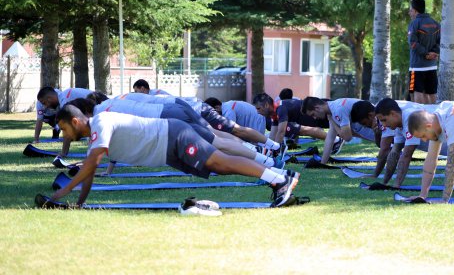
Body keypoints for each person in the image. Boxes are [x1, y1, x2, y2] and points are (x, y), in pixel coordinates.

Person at [45, 105, 298, 207]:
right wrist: (78, 204)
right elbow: (89, 171)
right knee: (221, 166)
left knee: (220, 161)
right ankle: (280, 176)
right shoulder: (94, 138)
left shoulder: (101, 122)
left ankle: (279, 180)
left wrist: (60, 194)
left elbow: (92, 164)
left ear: (76, 121)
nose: (65, 135)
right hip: (168, 145)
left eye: (65, 129)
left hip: (172, 137)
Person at [72, 97, 284, 172]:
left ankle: (268, 160)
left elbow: (102, 147)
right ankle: (265, 156)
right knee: (218, 138)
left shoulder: (102, 115)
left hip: (170, 116)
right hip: (176, 107)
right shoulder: (111, 103)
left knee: (218, 144)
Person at [302, 97, 375, 164]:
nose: (314, 118)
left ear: (317, 108)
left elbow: (347, 137)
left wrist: (332, 121)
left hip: (378, 127)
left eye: (313, 114)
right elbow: (330, 138)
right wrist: (322, 163)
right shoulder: (333, 109)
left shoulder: (337, 110)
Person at [34, 87, 93, 166]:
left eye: (45, 103)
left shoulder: (65, 100)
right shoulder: (63, 96)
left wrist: (63, 153)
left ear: (49, 98)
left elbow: (68, 130)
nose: (45, 107)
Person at [252, 93, 327, 145]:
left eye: (258, 108)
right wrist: (269, 148)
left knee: (303, 131)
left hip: (318, 112)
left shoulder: (280, 109)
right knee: (301, 131)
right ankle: (335, 141)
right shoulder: (274, 111)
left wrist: (275, 150)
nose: (258, 112)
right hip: (311, 116)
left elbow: (281, 132)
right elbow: (273, 134)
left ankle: (336, 141)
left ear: (266, 105)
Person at [407, 0, 440, 104]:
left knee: (416, 92)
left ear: (415, 11)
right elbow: (441, 41)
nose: (409, 13)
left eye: (411, 10)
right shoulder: (435, 24)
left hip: (417, 67)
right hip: (432, 66)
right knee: (431, 93)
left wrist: (426, 54)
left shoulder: (414, 23)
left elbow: (413, 42)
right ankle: (431, 117)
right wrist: (434, 53)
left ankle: (419, 117)